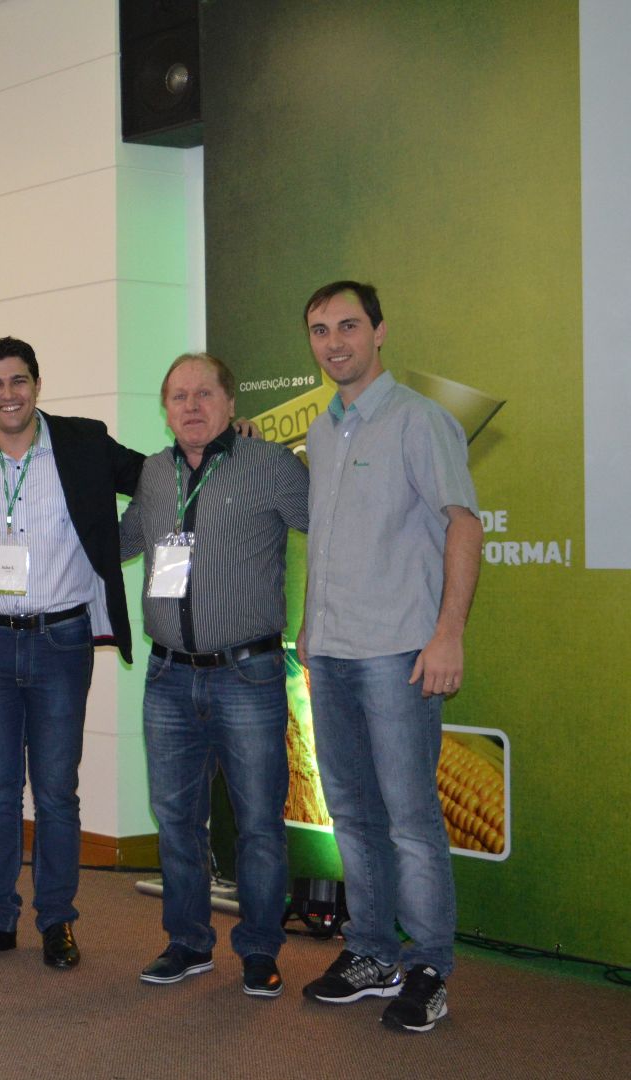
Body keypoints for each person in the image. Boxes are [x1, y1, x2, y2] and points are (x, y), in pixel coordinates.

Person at [297, 281, 482, 1033]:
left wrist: (449, 633)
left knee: (409, 819)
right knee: (350, 812)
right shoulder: (322, 431)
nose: (334, 342)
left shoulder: (420, 419)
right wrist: (308, 628)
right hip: (331, 651)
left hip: (399, 652)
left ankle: (429, 967)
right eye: (319, 330)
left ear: (379, 332)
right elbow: (327, 542)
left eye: (348, 326)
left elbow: (463, 525)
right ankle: (372, 952)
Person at [0, 335, 144, 970]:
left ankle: (57, 921)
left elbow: (158, 478)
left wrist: (225, 439)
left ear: (37, 385)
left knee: (56, 792)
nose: (9, 395)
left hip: (61, 641)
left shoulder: (83, 441)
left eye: (19, 380)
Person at [118, 352, 308, 997]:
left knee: (258, 823)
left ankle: (259, 948)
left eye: (204, 394)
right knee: (176, 821)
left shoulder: (271, 466)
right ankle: (188, 942)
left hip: (247, 675)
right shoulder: (153, 473)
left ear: (230, 403)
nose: (191, 406)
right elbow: (122, 542)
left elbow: (331, 528)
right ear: (165, 409)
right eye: (179, 396)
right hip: (168, 678)